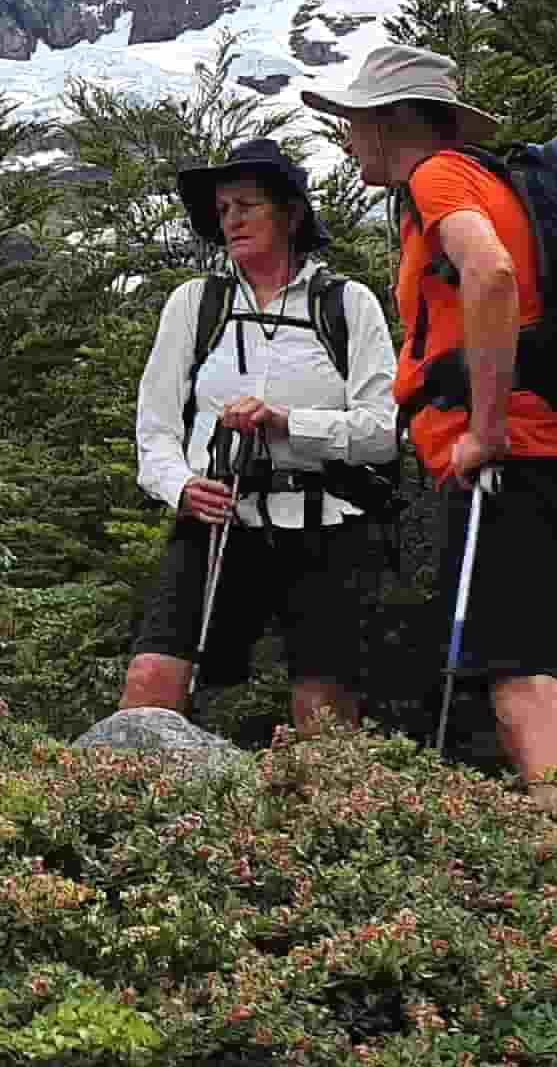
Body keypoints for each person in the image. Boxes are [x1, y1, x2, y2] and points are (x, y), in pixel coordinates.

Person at [302, 42, 557, 907]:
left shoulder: (439, 178)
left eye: (354, 122)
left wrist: (482, 429)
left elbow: (492, 274)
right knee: (528, 672)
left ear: (393, 121)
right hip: (541, 456)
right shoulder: (476, 177)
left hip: (508, 464)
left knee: (523, 681)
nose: (348, 140)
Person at [121, 136, 399, 729]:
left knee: (324, 713)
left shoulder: (348, 305)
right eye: (223, 210)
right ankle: (121, 806)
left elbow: (383, 433)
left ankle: (328, 820)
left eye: (248, 204)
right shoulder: (195, 304)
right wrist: (182, 488)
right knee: (151, 680)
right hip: (216, 516)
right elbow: (156, 429)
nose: (233, 220)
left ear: (291, 214)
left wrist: (286, 423)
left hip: (327, 524)